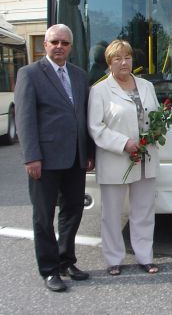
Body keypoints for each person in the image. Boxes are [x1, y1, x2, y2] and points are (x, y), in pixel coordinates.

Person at [14, 24, 94, 292]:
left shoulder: (80, 76)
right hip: (44, 160)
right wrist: (31, 157)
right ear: (45, 45)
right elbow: (24, 119)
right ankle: (49, 270)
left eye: (64, 43)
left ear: (71, 47)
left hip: (75, 158)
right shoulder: (30, 74)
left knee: (73, 210)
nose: (59, 46)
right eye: (54, 42)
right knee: (43, 216)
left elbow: (85, 117)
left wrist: (89, 153)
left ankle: (66, 260)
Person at [87, 40, 160, 276]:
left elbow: (157, 116)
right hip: (115, 159)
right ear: (109, 63)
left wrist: (156, 133)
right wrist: (125, 144)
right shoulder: (99, 90)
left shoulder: (147, 86)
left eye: (127, 57)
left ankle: (145, 256)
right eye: (117, 58)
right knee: (112, 213)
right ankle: (113, 259)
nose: (123, 62)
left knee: (144, 211)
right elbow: (95, 127)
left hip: (145, 158)